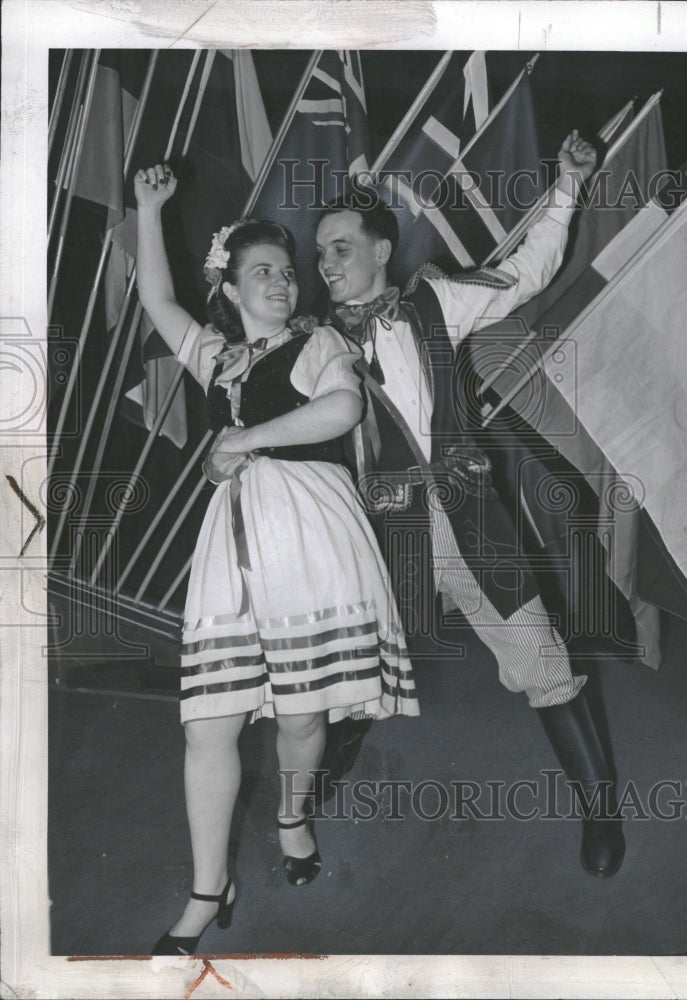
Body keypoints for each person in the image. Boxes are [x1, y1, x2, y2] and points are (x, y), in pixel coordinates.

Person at [315, 131, 625, 877]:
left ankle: (599, 812)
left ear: (381, 247)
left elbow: (527, 271)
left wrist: (568, 185)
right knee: (351, 659)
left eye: (340, 247)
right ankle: (340, 742)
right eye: (320, 253)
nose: (327, 264)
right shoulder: (313, 342)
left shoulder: (435, 301)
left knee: (538, 655)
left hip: (467, 517)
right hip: (377, 534)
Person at [134, 163, 418, 955]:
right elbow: (158, 302)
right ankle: (205, 888)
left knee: (300, 717)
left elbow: (341, 406)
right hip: (235, 544)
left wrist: (243, 440)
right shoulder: (220, 360)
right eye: (261, 273)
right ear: (227, 289)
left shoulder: (320, 340)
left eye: (286, 273)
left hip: (313, 537)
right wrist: (148, 210)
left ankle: (292, 816)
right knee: (208, 722)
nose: (282, 284)